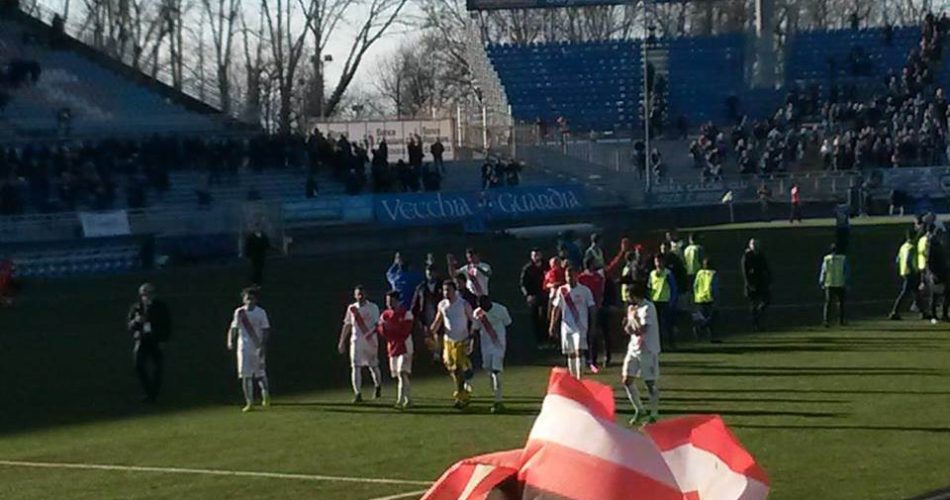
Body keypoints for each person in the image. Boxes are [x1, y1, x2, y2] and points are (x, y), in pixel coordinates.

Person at [429, 280, 474, 409]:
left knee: (457, 368)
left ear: (455, 290)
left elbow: (473, 320)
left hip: (461, 340)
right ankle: (463, 386)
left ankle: (461, 397)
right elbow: (438, 320)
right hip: (448, 341)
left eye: (448, 290)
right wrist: (430, 332)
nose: (446, 293)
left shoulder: (463, 304)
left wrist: (471, 336)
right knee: (450, 367)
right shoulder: (442, 305)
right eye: (444, 290)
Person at [621, 282, 661, 425]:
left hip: (647, 349)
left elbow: (642, 330)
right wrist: (628, 326)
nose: (626, 298)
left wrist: (635, 320)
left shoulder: (648, 308)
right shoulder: (632, 308)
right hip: (633, 348)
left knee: (649, 383)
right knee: (627, 380)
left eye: (628, 295)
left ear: (635, 295)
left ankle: (654, 413)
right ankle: (640, 409)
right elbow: (629, 328)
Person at [227, 287, 271, 412]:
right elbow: (234, 327)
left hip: (257, 347)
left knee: (260, 374)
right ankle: (249, 402)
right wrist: (230, 341)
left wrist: (262, 345)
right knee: (245, 375)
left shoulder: (261, 312)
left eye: (251, 298)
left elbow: (265, 329)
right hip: (243, 348)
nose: (249, 301)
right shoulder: (239, 312)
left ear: (256, 300)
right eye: (247, 298)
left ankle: (265, 394)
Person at [127, 283, 172, 402]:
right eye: (144, 294)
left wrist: (163, 340)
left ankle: (154, 393)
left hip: (156, 340)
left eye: (149, 293)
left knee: (158, 368)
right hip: (142, 339)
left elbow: (167, 324)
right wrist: (136, 322)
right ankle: (149, 392)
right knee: (138, 365)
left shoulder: (161, 307)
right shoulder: (136, 308)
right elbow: (130, 325)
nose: (147, 296)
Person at [550, 265, 596, 379]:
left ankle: (580, 378)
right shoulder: (562, 290)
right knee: (570, 353)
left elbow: (592, 308)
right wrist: (552, 324)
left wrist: (593, 324)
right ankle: (573, 378)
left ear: (576, 276)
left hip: (580, 326)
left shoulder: (585, 291)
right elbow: (557, 308)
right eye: (567, 276)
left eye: (571, 275)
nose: (569, 278)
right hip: (566, 326)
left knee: (579, 351)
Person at [338, 285, 382, 404]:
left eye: (362, 293)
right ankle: (358, 393)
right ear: (355, 295)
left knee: (373, 366)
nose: (360, 296)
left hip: (370, 341)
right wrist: (342, 341)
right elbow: (347, 325)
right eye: (358, 294)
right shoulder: (352, 308)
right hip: (356, 341)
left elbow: (378, 324)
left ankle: (378, 386)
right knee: (355, 366)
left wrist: (370, 334)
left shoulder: (373, 307)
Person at [471, 295, 512, 414]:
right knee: (489, 371)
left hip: (498, 345)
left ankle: (498, 401)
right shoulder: (477, 313)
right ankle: (496, 396)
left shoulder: (501, 309)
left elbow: (507, 323)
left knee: (496, 371)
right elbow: (476, 329)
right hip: (486, 346)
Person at [377, 291, 414, 409]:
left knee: (402, 372)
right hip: (392, 348)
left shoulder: (406, 313)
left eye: (392, 301)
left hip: (405, 347)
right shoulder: (385, 315)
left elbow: (405, 331)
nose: (390, 304)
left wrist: (390, 328)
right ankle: (408, 399)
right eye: (388, 302)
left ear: (398, 301)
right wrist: (386, 329)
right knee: (399, 375)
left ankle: (400, 400)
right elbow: (381, 330)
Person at [412, 265, 443, 362]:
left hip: (439, 313)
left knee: (440, 334)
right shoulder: (421, 287)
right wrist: (414, 315)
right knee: (429, 335)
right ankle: (434, 355)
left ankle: (440, 354)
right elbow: (416, 303)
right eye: (428, 273)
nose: (430, 275)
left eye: (432, 273)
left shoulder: (442, 285)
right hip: (426, 314)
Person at [890, 230, 923, 320]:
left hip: (904, 272)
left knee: (917, 292)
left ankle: (923, 311)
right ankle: (894, 312)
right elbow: (909, 260)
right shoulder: (912, 247)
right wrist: (914, 270)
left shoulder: (903, 246)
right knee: (905, 293)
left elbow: (898, 259)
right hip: (911, 273)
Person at [520, 249, 549, 348]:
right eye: (534, 255)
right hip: (534, 296)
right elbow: (523, 284)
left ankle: (548, 339)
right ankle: (539, 341)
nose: (536, 257)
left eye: (538, 254)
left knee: (546, 317)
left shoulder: (547, 266)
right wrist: (528, 295)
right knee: (536, 318)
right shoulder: (528, 268)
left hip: (546, 295)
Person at [648, 254, 678, 351]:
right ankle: (659, 345)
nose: (658, 263)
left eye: (660, 261)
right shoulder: (652, 274)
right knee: (657, 325)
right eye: (656, 261)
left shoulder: (668, 273)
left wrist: (672, 301)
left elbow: (674, 288)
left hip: (665, 301)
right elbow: (650, 287)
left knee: (668, 324)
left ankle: (671, 343)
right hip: (655, 301)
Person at [742, 238, 772, 331]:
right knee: (753, 304)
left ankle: (757, 317)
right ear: (750, 245)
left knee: (766, 300)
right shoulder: (747, 256)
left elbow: (766, 268)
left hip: (761, 282)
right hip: (752, 283)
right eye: (753, 244)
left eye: (756, 244)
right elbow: (745, 272)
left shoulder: (761, 255)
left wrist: (769, 279)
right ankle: (755, 324)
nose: (755, 246)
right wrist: (749, 284)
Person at [819, 244, 848, 327]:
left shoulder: (826, 259)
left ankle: (826, 320)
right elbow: (846, 272)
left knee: (828, 303)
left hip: (829, 283)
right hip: (840, 283)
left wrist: (821, 281)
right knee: (840, 303)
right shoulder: (843, 259)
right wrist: (846, 281)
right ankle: (841, 320)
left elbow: (823, 271)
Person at [924, 229, 949, 323]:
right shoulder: (932, 246)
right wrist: (932, 274)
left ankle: (943, 314)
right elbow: (929, 262)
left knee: (944, 294)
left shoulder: (939, 245)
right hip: (936, 274)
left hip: (942, 272)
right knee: (935, 295)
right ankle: (935, 315)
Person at [693, 258, 720, 342]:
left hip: (699, 298)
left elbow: (695, 285)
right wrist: (716, 297)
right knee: (712, 317)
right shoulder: (713, 274)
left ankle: (703, 332)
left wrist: (696, 295)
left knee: (704, 317)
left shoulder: (699, 273)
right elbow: (714, 287)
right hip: (709, 298)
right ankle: (707, 333)